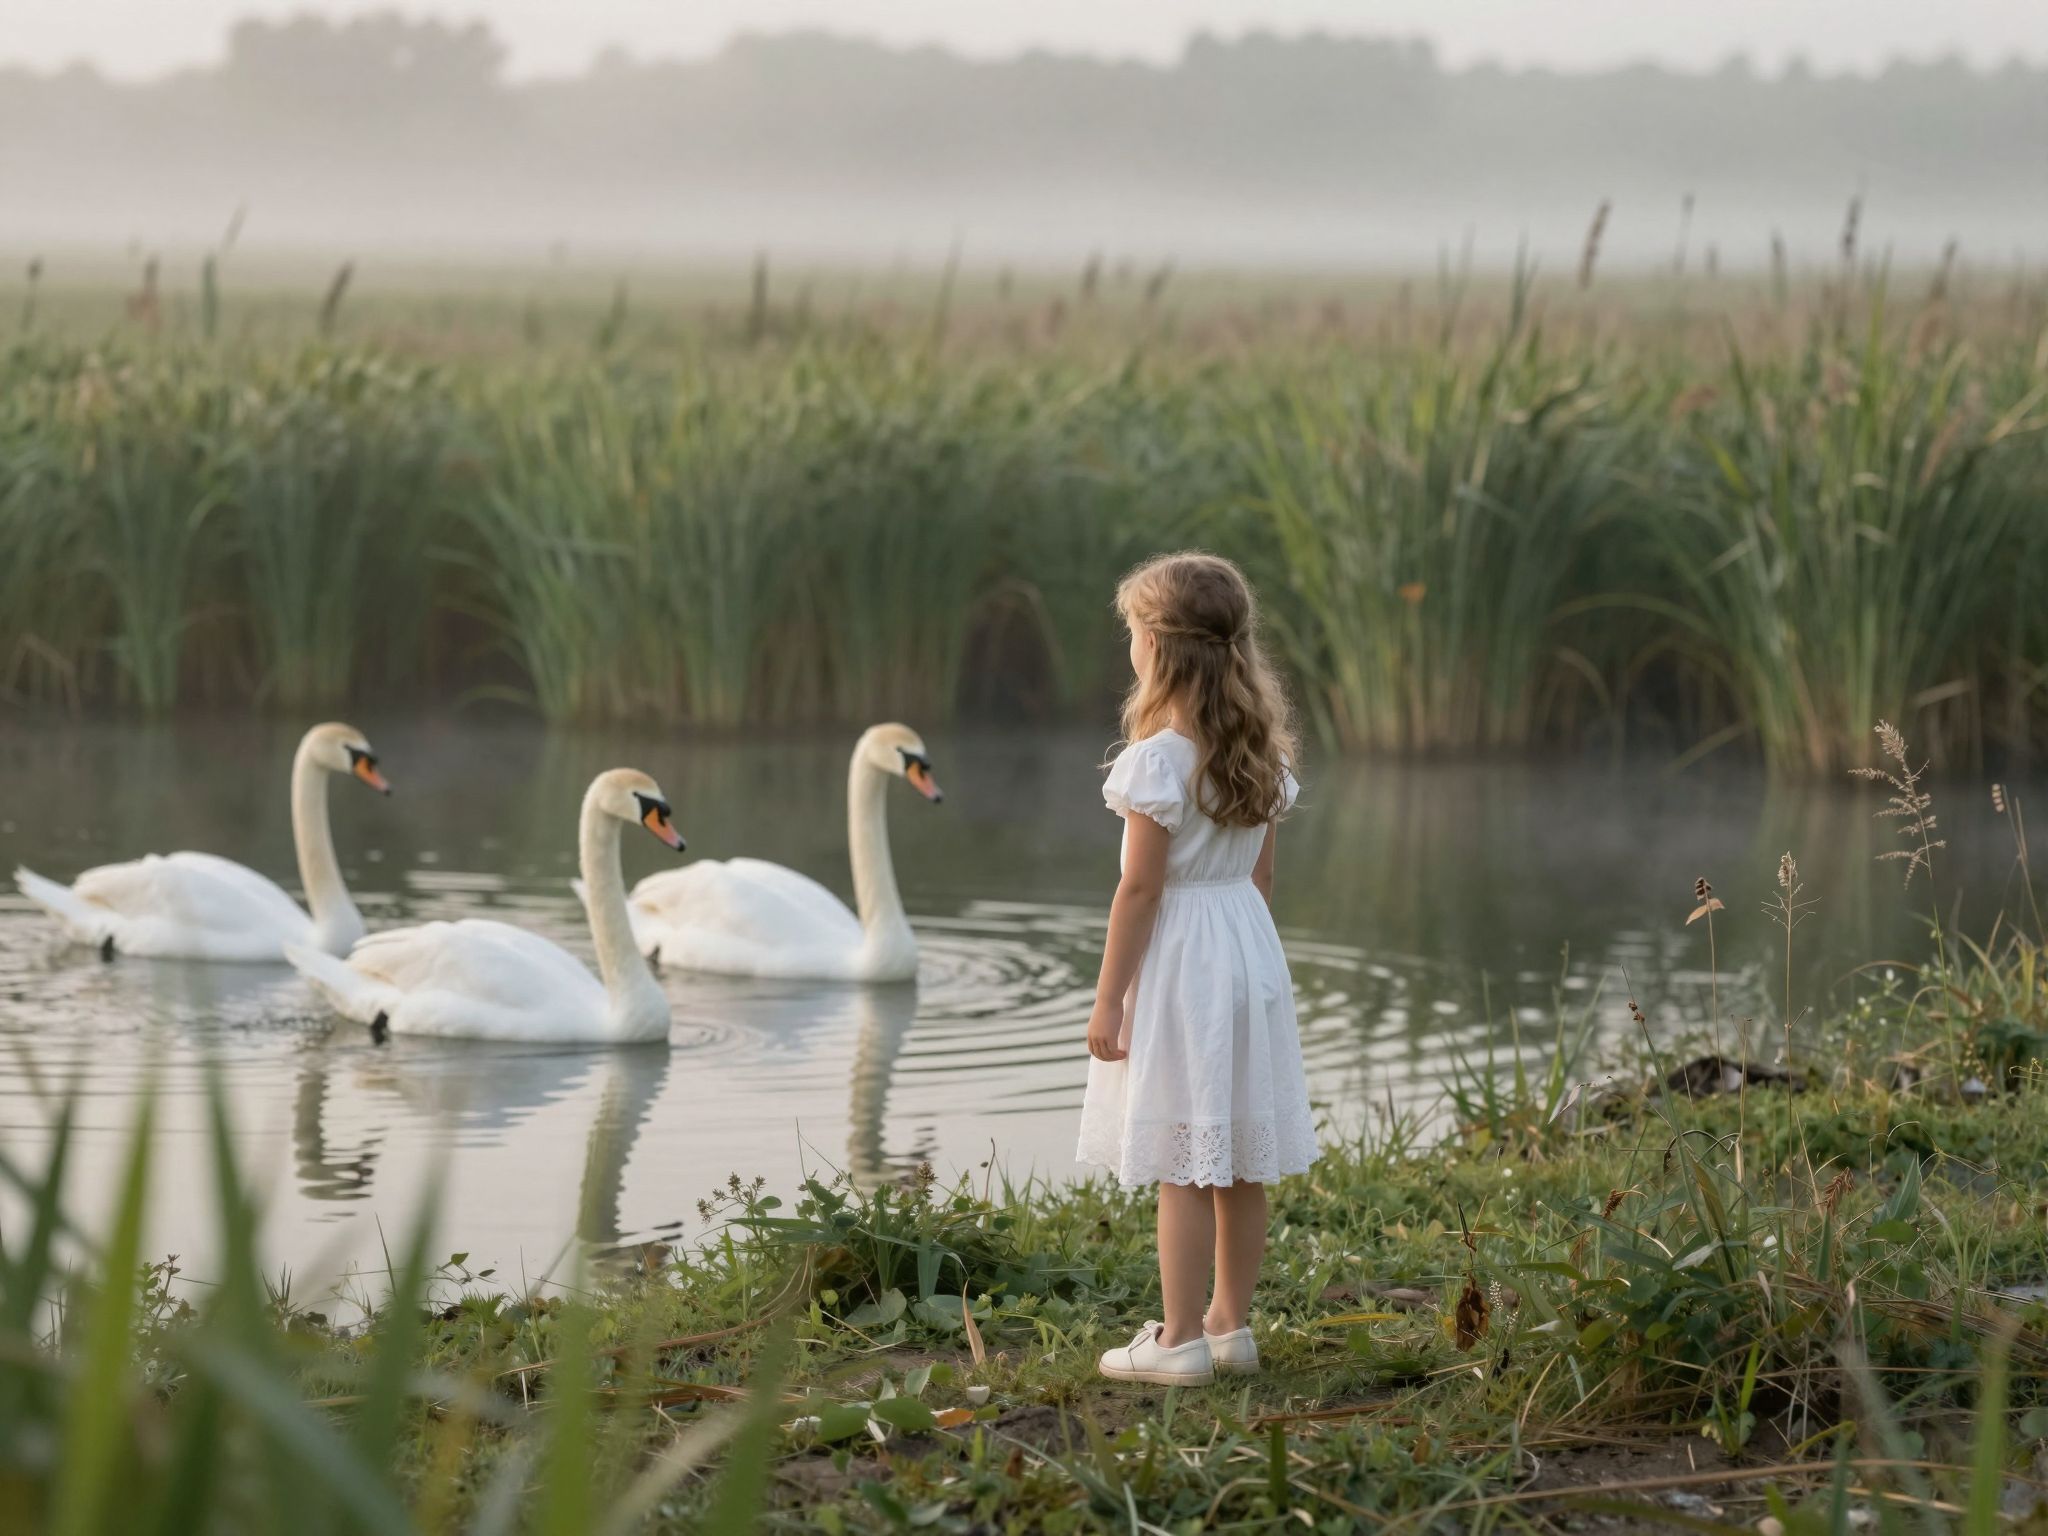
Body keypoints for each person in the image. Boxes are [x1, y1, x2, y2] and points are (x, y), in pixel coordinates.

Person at [1077, 550, 1317, 1385]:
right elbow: (1262, 877)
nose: (1130, 648)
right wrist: (1243, 961)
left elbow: (1140, 889)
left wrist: (1109, 1004)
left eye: (1133, 634)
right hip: (1247, 951)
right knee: (1238, 1154)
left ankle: (1177, 1339)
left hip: (1181, 954)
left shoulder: (1157, 760)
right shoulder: (1260, 753)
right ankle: (1229, 1328)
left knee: (1182, 1155)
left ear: (1160, 647)